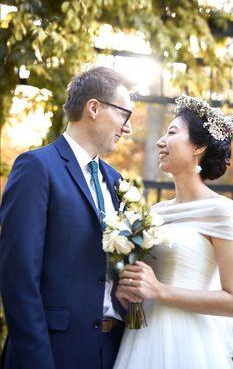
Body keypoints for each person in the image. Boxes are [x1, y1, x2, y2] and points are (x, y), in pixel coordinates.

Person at [0, 66, 135, 369]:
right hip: (53, 352)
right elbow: (18, 278)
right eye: (124, 114)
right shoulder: (37, 167)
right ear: (94, 108)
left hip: (113, 352)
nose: (127, 128)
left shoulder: (118, 182)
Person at [114, 94, 233, 369]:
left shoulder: (221, 210)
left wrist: (160, 291)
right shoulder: (155, 213)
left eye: (172, 132)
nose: (160, 141)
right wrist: (128, 289)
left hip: (189, 344)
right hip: (141, 337)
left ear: (197, 147)